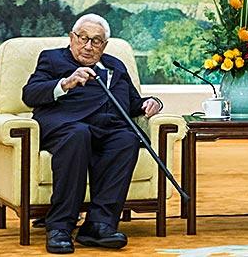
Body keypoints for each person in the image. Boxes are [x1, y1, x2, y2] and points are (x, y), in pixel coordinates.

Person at [22, 13, 162, 254]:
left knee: (127, 138)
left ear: (104, 45)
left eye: (96, 41)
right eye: (83, 38)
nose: (88, 46)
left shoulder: (115, 65)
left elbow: (130, 102)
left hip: (108, 128)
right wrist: (65, 83)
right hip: (66, 125)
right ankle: (60, 227)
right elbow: (30, 94)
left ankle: (99, 225)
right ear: (71, 38)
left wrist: (151, 103)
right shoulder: (53, 59)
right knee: (79, 134)